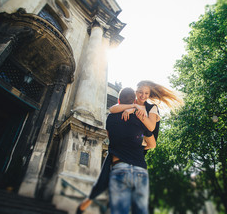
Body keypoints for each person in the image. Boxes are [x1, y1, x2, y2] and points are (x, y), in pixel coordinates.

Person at [76, 80, 183, 213]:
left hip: (141, 146)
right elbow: (113, 109)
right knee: (107, 172)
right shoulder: (130, 104)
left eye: (146, 93)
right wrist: (133, 107)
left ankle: (90, 200)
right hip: (130, 151)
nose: (142, 96)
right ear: (135, 92)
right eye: (140, 92)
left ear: (149, 94)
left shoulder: (152, 108)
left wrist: (138, 113)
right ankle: (90, 198)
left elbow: (151, 127)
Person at [107, 87, 156, 214]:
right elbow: (152, 144)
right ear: (134, 100)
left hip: (119, 167)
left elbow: (110, 137)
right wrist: (140, 147)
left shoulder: (110, 119)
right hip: (139, 168)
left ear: (119, 100)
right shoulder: (140, 119)